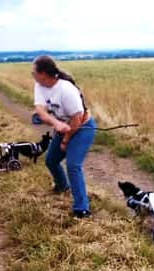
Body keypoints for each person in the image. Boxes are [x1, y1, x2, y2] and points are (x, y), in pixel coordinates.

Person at [32, 55, 96, 218]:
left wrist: (66, 140)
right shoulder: (40, 86)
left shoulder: (66, 89)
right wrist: (56, 123)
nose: (32, 75)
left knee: (73, 165)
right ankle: (62, 186)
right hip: (63, 126)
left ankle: (82, 208)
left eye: (34, 73)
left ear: (44, 73)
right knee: (51, 160)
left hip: (82, 127)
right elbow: (40, 111)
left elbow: (77, 119)